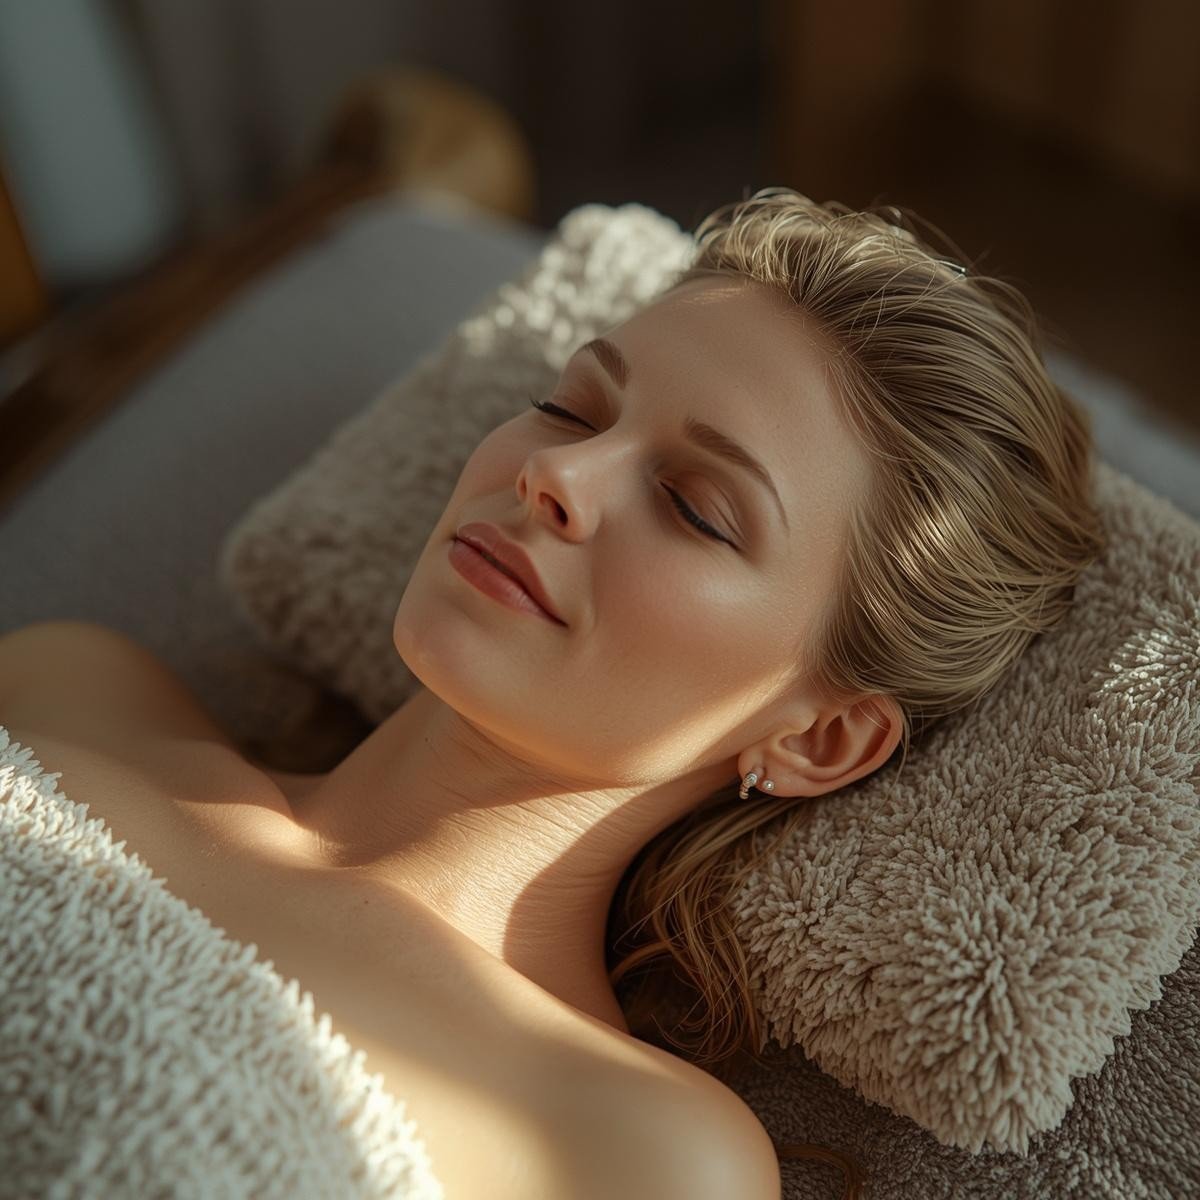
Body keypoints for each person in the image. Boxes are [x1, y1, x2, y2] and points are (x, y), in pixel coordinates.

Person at [0, 187, 1106, 1199]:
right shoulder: (76, 689)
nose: (554, 477)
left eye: (696, 508)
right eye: (572, 408)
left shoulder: (637, 1150)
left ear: (820, 740)